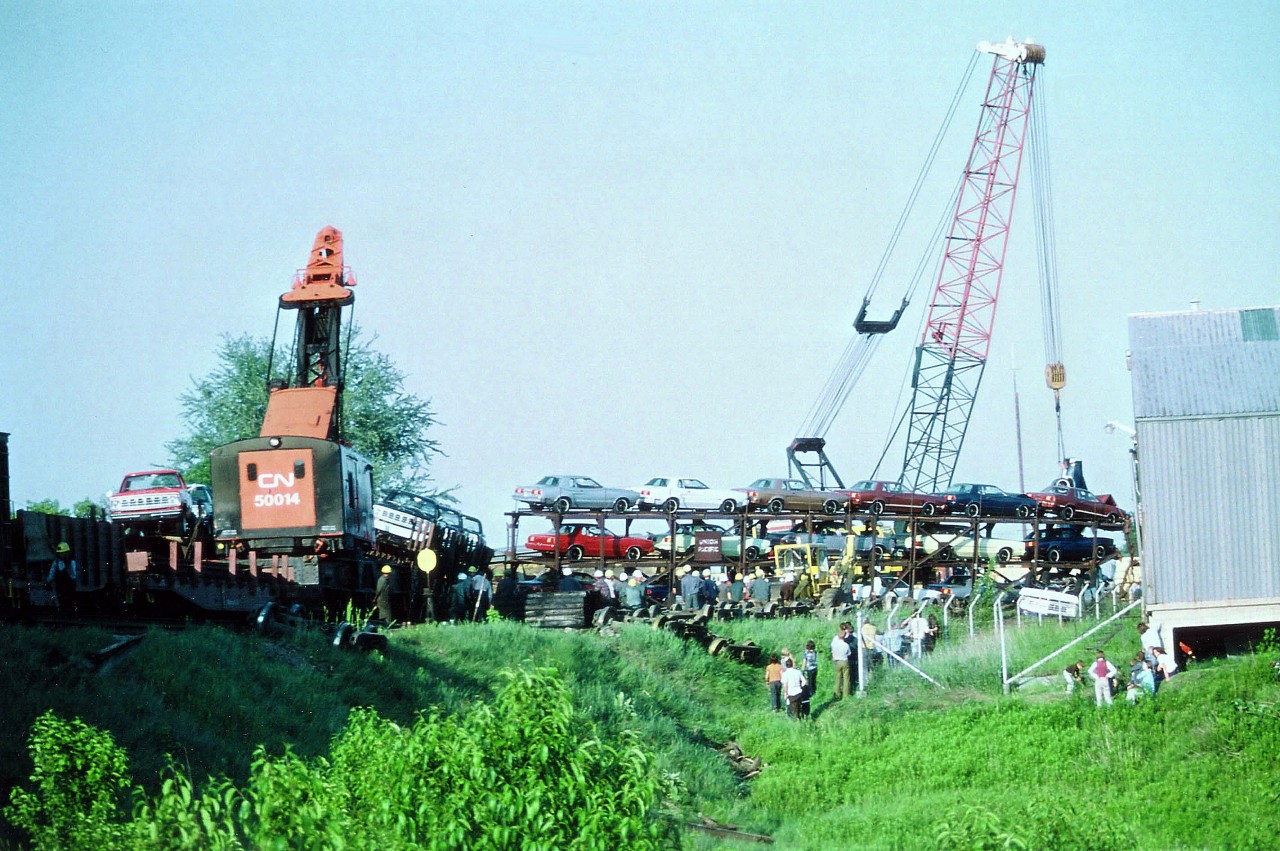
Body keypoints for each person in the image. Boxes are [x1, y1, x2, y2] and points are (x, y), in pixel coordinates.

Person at [47, 542, 78, 613]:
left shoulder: (72, 563)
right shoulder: (56, 563)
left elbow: (74, 575)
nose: (62, 555)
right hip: (60, 587)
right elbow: (51, 574)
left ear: (67, 553)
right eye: (61, 553)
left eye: (64, 553)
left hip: (70, 586)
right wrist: (48, 581)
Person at [830, 627, 851, 700]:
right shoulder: (846, 645)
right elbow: (849, 653)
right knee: (846, 678)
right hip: (844, 661)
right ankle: (846, 694)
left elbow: (832, 652)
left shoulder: (835, 645)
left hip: (837, 662)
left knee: (838, 678)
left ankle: (837, 693)